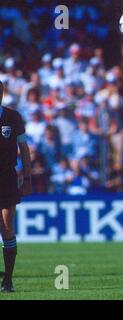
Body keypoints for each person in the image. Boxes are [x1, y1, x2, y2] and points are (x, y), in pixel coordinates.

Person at [0, 80, 32, 292]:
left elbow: (25, 150)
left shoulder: (13, 117)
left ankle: (8, 281)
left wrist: (27, 178)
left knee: (6, 227)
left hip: (7, 178)